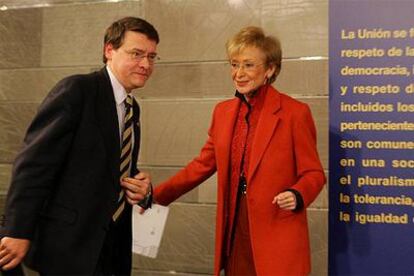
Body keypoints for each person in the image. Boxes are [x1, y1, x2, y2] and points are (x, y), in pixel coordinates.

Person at [153, 26, 326, 275]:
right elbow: (201, 166)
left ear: (270, 69)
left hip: (275, 233)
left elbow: (314, 174)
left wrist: (297, 193)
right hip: (235, 231)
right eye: (234, 64)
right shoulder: (223, 112)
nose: (239, 73)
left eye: (248, 65)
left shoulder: (295, 113)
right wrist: (156, 196)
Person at [0, 16, 158, 275]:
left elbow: (111, 166)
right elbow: (33, 165)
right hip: (70, 248)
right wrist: (17, 231)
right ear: (109, 50)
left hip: (112, 247)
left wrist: (143, 188)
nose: (145, 64)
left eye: (152, 56)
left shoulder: (132, 108)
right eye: (137, 53)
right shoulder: (77, 90)